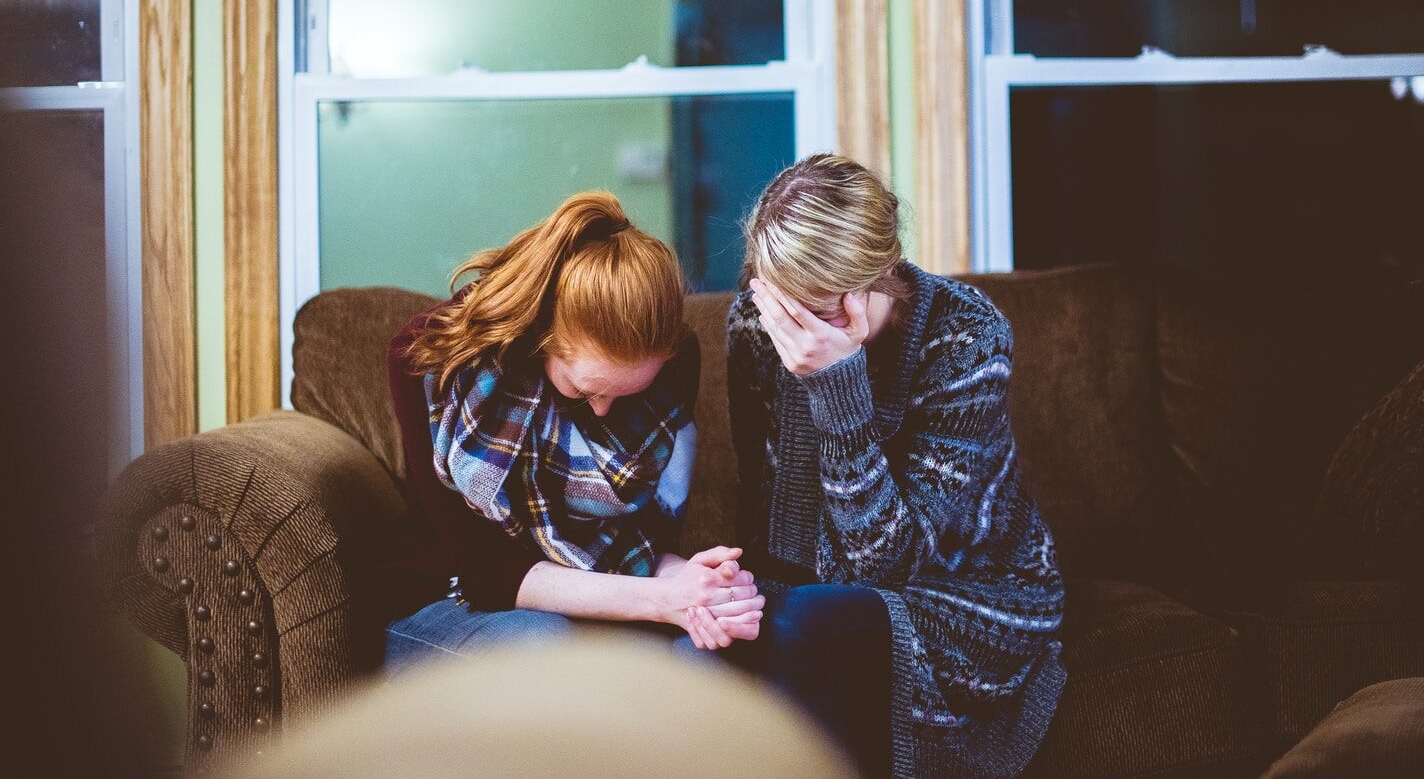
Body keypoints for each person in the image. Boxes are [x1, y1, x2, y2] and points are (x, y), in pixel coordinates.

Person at [726, 154, 1066, 779]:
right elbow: (766, 508)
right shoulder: (756, 322)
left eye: (817, 310)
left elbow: (887, 568)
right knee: (739, 634)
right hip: (818, 590)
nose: (793, 333)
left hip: (970, 591)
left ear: (878, 276)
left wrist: (838, 386)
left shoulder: (966, 337)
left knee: (808, 625)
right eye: (782, 306)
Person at [384, 191, 763, 667]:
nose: (603, 412)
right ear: (541, 337)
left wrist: (703, 587)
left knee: (708, 655)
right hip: (450, 598)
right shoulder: (430, 360)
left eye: (624, 395)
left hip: (594, 597)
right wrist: (666, 601)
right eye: (585, 391)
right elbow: (485, 573)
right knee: (546, 646)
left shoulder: (672, 366)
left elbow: (641, 550)